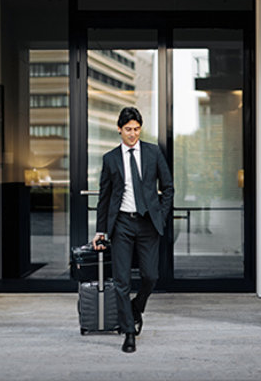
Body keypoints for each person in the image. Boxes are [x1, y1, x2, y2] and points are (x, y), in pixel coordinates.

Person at [92, 107, 174, 353]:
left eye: (136, 129)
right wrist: (101, 230)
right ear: (119, 129)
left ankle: (136, 308)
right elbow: (104, 198)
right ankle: (129, 332)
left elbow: (168, 187)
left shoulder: (152, 152)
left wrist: (161, 213)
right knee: (121, 281)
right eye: (128, 129)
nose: (133, 134)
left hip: (148, 223)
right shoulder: (110, 159)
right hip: (122, 225)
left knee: (151, 276)